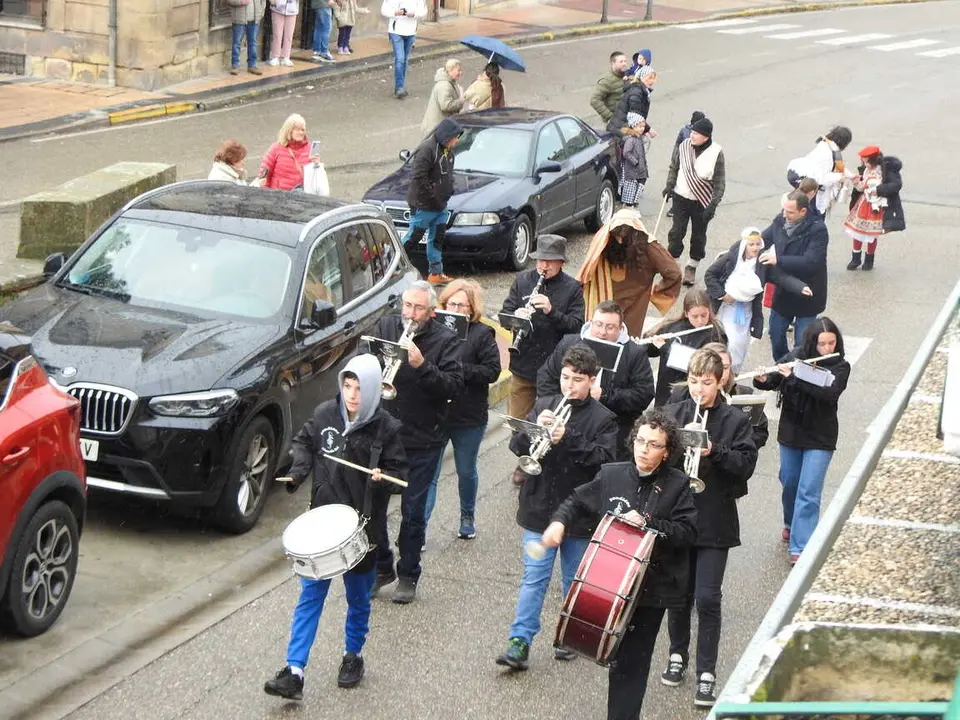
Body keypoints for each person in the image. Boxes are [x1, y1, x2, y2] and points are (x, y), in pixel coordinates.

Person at [263, 354, 408, 702]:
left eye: (360, 388)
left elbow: (401, 477)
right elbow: (303, 443)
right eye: (347, 385)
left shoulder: (387, 429)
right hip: (323, 523)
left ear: (372, 389)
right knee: (309, 597)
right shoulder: (325, 414)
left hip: (362, 530)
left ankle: (352, 655)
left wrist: (383, 479)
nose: (352, 395)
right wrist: (299, 470)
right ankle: (294, 671)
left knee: (358, 600)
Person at [545, 408, 697, 720]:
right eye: (641, 440)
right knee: (613, 657)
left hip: (654, 589)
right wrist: (559, 522)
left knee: (633, 662)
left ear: (667, 452)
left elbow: (688, 532)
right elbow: (575, 502)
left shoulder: (679, 485)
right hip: (610, 582)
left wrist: (650, 523)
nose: (644, 448)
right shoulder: (612, 474)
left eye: (654, 444)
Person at [496, 345, 619, 671]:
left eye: (577, 380)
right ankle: (519, 641)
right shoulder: (545, 405)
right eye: (565, 377)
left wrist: (569, 437)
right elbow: (517, 444)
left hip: (579, 515)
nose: (569, 385)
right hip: (540, 511)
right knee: (533, 578)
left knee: (574, 580)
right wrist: (534, 432)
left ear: (592, 381)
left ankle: (569, 636)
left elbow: (605, 464)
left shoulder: (604, 419)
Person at [661, 348, 757, 707]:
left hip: (715, 517)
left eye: (706, 382)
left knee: (708, 598)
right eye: (693, 381)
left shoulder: (734, 420)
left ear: (720, 382)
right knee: (678, 595)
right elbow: (653, 454)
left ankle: (707, 673)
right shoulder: (674, 412)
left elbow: (745, 464)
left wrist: (713, 451)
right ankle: (677, 654)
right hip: (679, 516)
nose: (698, 389)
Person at [369, 281, 464, 604]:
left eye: (418, 308)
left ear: (431, 312)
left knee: (412, 512)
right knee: (372, 508)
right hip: (384, 435)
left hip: (424, 438)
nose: (409, 314)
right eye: (407, 306)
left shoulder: (447, 340)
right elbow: (364, 358)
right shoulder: (386, 325)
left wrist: (422, 365)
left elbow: (452, 387)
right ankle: (382, 566)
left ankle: (409, 573)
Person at [753, 318, 850, 564]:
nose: (827, 349)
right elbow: (775, 378)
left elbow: (828, 394)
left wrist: (794, 378)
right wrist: (764, 378)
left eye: (831, 343)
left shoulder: (840, 366)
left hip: (820, 435)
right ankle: (790, 522)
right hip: (792, 432)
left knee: (809, 491)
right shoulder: (797, 356)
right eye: (822, 344)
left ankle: (801, 545)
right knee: (790, 482)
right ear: (811, 343)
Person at [423, 279, 501, 539]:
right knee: (429, 474)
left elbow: (492, 371)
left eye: (461, 305)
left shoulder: (481, 334)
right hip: (435, 413)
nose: (455, 309)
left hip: (468, 415)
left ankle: (467, 515)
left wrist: (458, 370)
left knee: (466, 471)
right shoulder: (432, 330)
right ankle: (419, 528)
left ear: (471, 309)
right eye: (450, 304)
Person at [537, 301, 654, 459]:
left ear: (620, 329)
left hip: (614, 425)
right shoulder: (569, 343)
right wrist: (553, 404)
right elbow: (546, 376)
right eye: (598, 324)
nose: (602, 332)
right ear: (590, 322)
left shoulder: (634, 353)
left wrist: (606, 395)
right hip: (568, 416)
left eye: (610, 327)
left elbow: (644, 394)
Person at [500, 234, 585, 432]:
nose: (543, 265)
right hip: (523, 365)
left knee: (550, 427)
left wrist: (551, 311)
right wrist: (516, 316)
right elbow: (505, 314)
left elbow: (577, 326)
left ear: (560, 263)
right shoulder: (522, 281)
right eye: (540, 259)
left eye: (549, 261)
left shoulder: (572, 288)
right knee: (519, 426)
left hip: (555, 369)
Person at [704, 227, 811, 374]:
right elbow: (710, 275)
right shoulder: (730, 258)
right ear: (744, 245)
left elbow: (781, 278)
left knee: (740, 344)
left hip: (747, 310)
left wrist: (800, 287)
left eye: (757, 244)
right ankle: (719, 371)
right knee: (728, 340)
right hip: (728, 307)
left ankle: (732, 374)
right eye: (751, 244)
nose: (755, 248)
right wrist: (722, 295)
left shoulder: (762, 263)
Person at [577, 207, 682, 337]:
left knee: (624, 347)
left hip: (632, 310)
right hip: (605, 305)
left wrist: (655, 294)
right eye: (617, 236)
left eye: (624, 237)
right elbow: (586, 272)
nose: (620, 240)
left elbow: (673, 273)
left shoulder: (647, 245)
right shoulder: (603, 243)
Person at [759, 190, 829, 363]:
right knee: (775, 334)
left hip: (808, 294)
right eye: (784, 210)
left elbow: (811, 261)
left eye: (790, 212)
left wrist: (778, 260)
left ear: (803, 211)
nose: (785, 215)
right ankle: (782, 365)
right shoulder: (780, 221)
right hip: (784, 292)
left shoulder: (818, 229)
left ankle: (796, 373)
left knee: (802, 343)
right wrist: (747, 246)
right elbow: (763, 240)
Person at [668, 342, 769, 451]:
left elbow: (760, 432)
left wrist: (737, 442)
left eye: (725, 367)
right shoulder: (682, 394)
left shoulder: (743, 393)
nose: (722, 373)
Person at [663, 116, 725, 287]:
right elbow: (674, 167)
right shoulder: (683, 146)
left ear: (706, 136)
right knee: (676, 232)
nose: (692, 135)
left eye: (696, 133)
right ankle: (673, 266)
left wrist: (713, 204)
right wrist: (669, 185)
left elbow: (719, 182)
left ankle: (691, 266)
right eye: (692, 131)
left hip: (702, 201)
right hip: (681, 196)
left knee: (698, 236)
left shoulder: (716, 152)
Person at [403, 116, 463, 284]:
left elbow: (447, 174)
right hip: (423, 205)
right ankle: (394, 269)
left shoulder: (447, 150)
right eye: (455, 138)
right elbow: (419, 177)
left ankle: (436, 273)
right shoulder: (427, 149)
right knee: (413, 238)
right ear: (447, 136)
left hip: (440, 206)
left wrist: (448, 191)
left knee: (437, 238)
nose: (456, 142)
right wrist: (433, 198)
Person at [645, 289, 726, 407]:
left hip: (695, 394)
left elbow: (703, 365)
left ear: (709, 310)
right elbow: (649, 352)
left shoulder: (716, 335)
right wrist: (650, 343)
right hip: (666, 392)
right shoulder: (671, 327)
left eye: (704, 315)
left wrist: (666, 348)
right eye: (695, 316)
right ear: (686, 313)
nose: (700, 321)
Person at [844, 145, 905, 271]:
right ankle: (855, 259)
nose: (864, 164)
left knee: (871, 235)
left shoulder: (886, 170)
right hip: (863, 205)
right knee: (857, 233)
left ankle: (869, 260)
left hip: (876, 207)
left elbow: (896, 185)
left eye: (866, 161)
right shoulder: (865, 171)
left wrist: (878, 190)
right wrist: (856, 182)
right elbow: (861, 187)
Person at [786, 126, 853, 216]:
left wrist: (850, 175)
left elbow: (838, 165)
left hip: (799, 174)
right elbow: (822, 179)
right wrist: (839, 177)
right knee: (813, 212)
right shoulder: (828, 155)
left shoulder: (827, 145)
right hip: (808, 180)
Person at [257, 114, 322, 191]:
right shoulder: (276, 148)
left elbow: (315, 176)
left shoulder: (309, 148)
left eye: (303, 130)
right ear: (289, 130)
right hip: (280, 198)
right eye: (298, 129)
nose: (301, 132)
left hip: (303, 197)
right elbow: (264, 176)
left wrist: (316, 164)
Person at [380, 0, 427, 99]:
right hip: (396, 31)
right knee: (400, 58)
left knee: (405, 59)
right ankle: (399, 88)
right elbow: (384, 10)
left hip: (411, 31)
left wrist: (414, 14)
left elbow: (423, 10)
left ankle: (401, 86)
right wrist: (395, 13)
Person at [607, 66, 658, 138]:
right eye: (649, 78)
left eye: (653, 78)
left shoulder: (641, 90)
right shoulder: (636, 93)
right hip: (622, 131)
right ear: (642, 77)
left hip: (622, 128)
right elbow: (635, 116)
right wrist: (648, 130)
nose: (651, 81)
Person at [421, 58, 465, 137]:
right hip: (436, 129)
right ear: (450, 70)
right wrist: (461, 101)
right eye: (458, 70)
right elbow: (446, 106)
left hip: (436, 127)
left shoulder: (447, 83)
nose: (460, 73)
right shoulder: (445, 86)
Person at [620, 113, 650, 206]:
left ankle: (633, 203)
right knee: (631, 189)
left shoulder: (638, 138)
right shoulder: (630, 140)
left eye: (643, 127)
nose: (642, 129)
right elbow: (626, 153)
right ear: (633, 126)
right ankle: (630, 206)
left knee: (639, 185)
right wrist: (635, 162)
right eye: (639, 126)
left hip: (639, 170)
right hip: (633, 170)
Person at [590, 51, 629, 123]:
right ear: (613, 63)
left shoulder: (628, 76)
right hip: (616, 125)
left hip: (629, 120)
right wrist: (610, 117)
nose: (624, 64)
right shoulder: (607, 81)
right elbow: (594, 100)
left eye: (625, 61)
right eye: (621, 62)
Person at [229, 0, 266, 76]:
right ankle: (235, 65)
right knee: (237, 43)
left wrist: (260, 13)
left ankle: (252, 65)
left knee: (253, 43)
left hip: (254, 20)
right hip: (239, 19)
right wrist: (241, 2)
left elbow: (263, 2)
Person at [268, 0, 299, 67]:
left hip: (292, 9)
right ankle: (275, 56)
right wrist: (273, 2)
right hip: (277, 9)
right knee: (277, 34)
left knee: (289, 35)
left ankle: (286, 56)